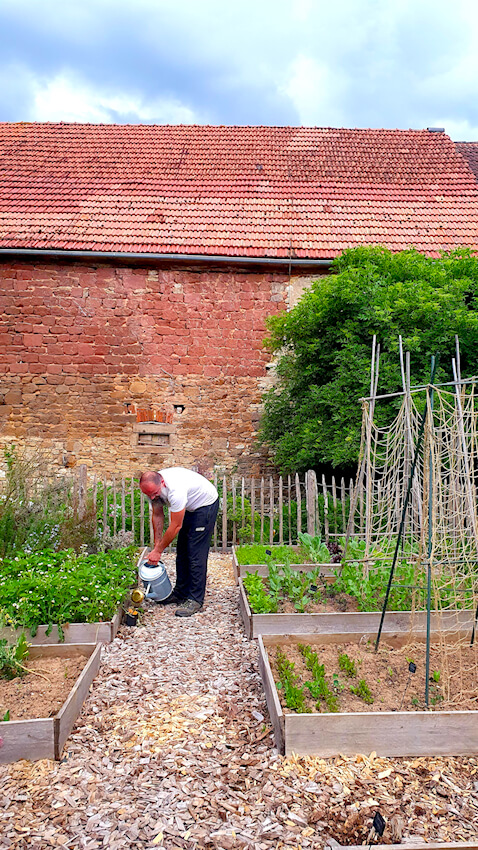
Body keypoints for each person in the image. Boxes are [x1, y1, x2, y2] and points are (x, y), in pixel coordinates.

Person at [139, 468, 219, 617]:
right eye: (148, 494)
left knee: (195, 553)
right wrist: (157, 545)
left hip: (205, 505)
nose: (152, 496)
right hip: (190, 506)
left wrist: (158, 551)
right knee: (182, 551)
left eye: (154, 493)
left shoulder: (176, 490)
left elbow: (175, 526)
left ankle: (195, 599)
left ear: (162, 482)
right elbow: (157, 515)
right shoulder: (153, 488)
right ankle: (181, 593)